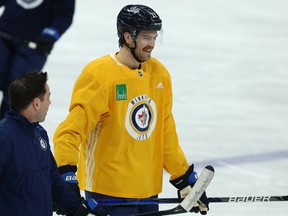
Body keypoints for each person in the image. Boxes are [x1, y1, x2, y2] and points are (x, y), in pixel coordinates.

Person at [53, 4, 209, 216]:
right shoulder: (99, 75)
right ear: (128, 37)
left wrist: (183, 176)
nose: (151, 44)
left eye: (154, 37)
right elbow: (69, 132)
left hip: (148, 191)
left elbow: (165, 131)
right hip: (107, 194)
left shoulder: (159, 75)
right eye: (146, 37)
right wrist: (67, 174)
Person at [0, 71, 108, 216]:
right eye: (48, 97)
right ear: (36, 103)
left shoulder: (39, 134)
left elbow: (53, 180)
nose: (50, 102)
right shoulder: (4, 138)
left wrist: (78, 209)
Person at [0, 0, 75, 119]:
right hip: (3, 35)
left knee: (17, 93)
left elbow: (64, 14)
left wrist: (50, 34)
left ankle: (5, 132)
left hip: (33, 46)